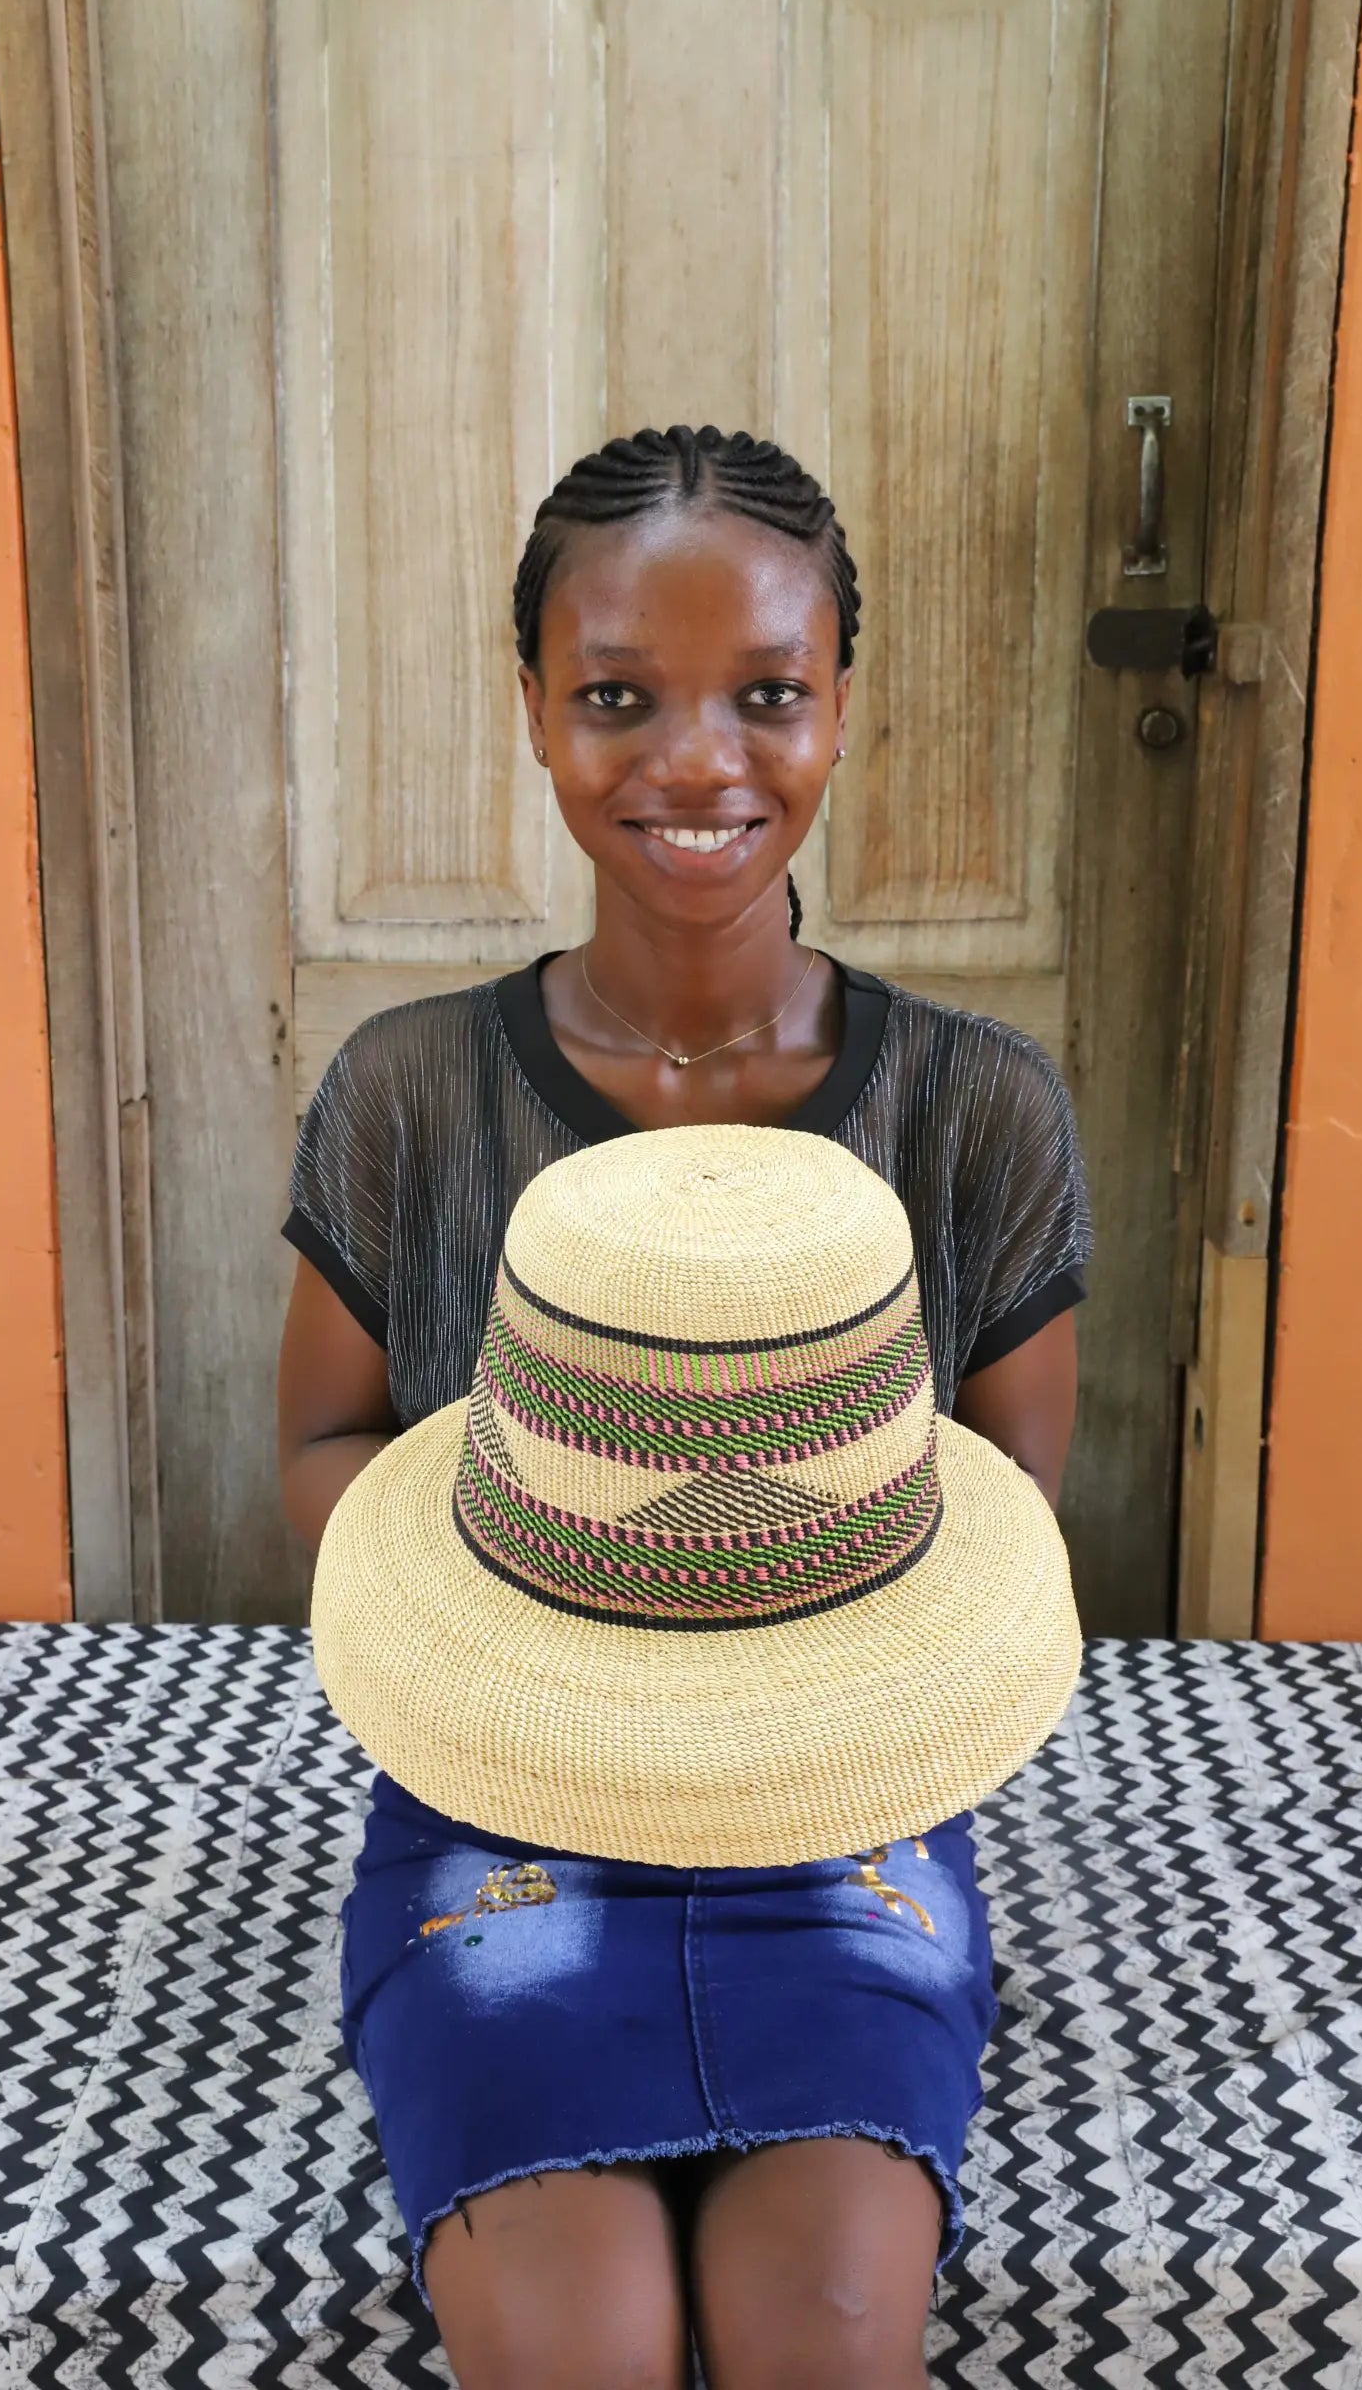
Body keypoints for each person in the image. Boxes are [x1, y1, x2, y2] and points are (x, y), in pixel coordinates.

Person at [278, 424, 1092, 2389]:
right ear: (534, 709)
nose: (700, 762)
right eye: (620, 697)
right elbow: (323, 1444)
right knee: (578, 2335)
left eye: (769, 696)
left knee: (829, 2326)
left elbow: (995, 1494)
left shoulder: (978, 1107)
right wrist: (512, 1647)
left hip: (849, 1821)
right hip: (499, 1810)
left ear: (843, 705)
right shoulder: (407, 1092)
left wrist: (776, 1687)